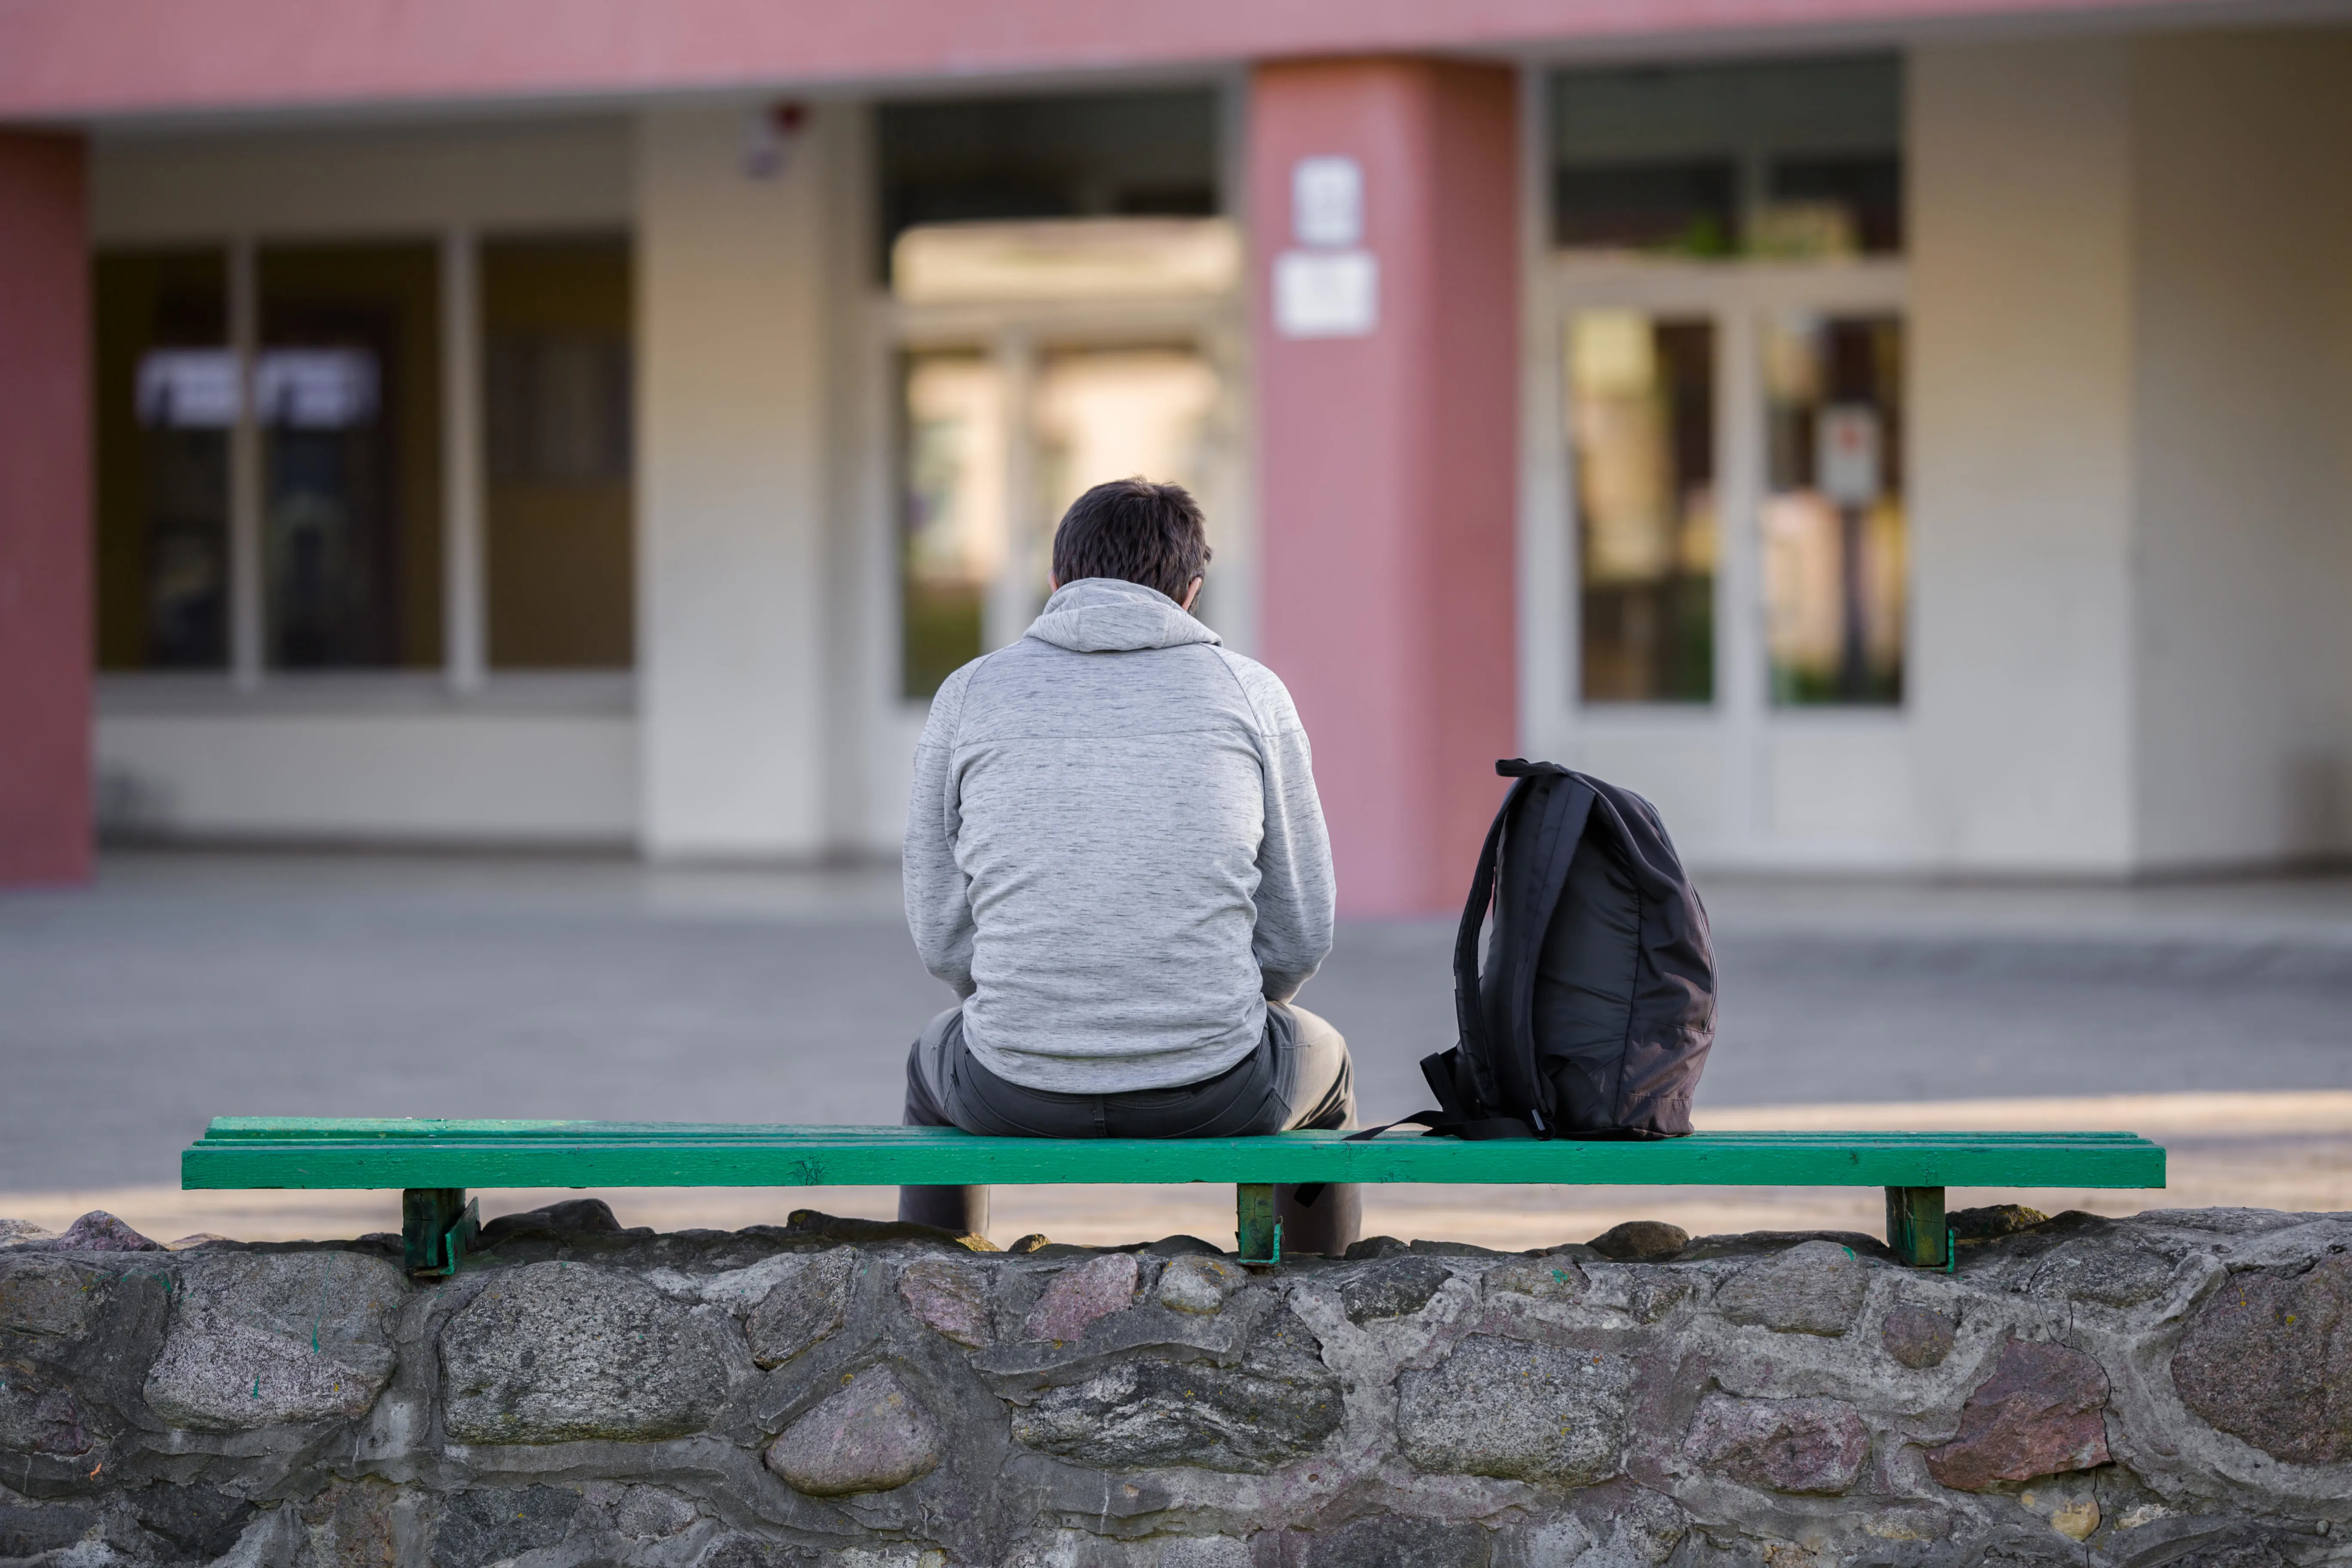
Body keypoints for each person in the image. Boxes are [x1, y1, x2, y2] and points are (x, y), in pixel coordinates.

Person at [898, 477, 1360, 1255]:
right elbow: (1302, 931)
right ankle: (1317, 1303)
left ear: (1057, 582)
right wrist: (1225, 1009)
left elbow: (942, 933)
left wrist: (1035, 1009)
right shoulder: (1249, 694)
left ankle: (939, 1296)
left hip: (1010, 1089)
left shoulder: (971, 693)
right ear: (1191, 591)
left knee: (930, 1061)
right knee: (1331, 1063)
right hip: (1220, 1086)